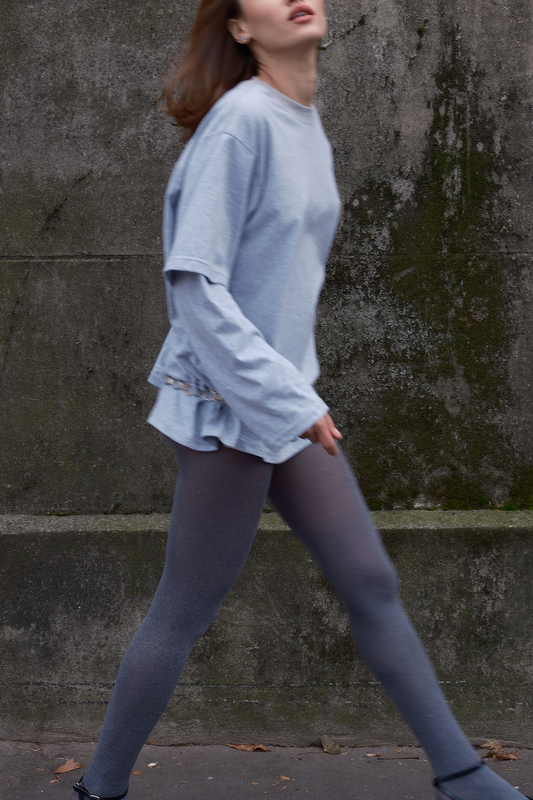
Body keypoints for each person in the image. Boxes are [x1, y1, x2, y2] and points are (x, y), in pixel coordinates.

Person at [69, 1, 530, 799]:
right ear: (239, 28)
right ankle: (99, 787)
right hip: (229, 407)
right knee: (183, 610)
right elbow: (195, 287)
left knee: (368, 579)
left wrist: (291, 396)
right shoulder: (242, 122)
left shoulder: (301, 121)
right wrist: (287, 398)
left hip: (280, 404)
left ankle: (459, 774)